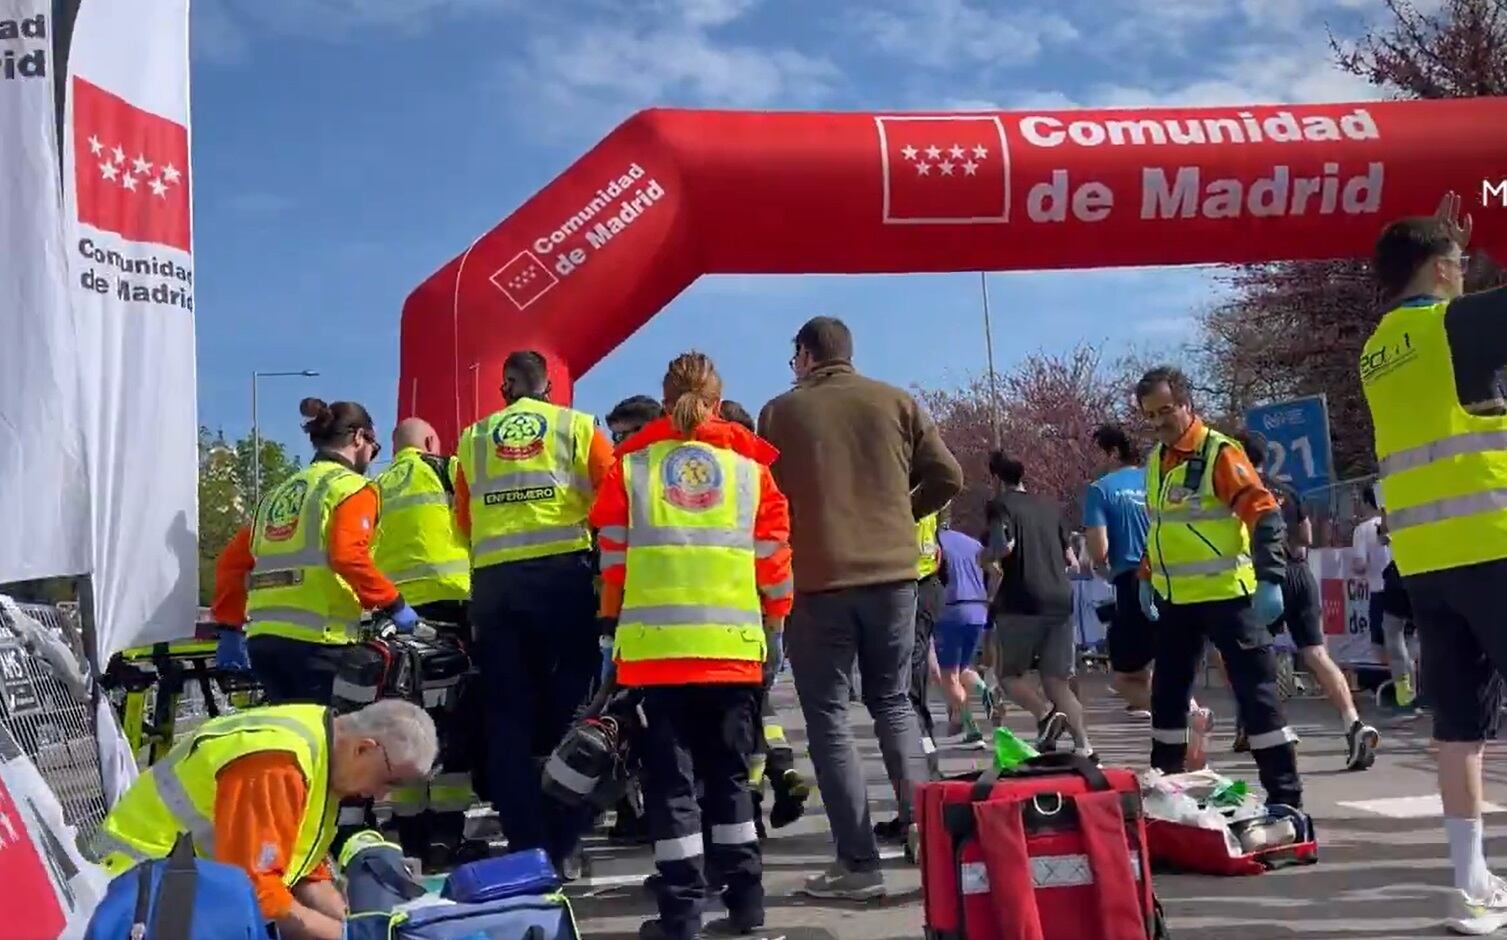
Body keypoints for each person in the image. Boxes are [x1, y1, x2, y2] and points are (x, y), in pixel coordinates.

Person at [757, 316, 962, 899]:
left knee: (827, 718)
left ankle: (858, 865)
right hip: (894, 576)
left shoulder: (779, 413)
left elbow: (764, 495)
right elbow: (949, 476)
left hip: (817, 579)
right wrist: (902, 513)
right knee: (893, 704)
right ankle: (929, 845)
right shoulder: (896, 401)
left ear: (805, 355)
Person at [591, 353, 792, 940]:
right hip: (732, 650)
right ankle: (746, 904)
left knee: (670, 787)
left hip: (655, 656)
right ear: (717, 399)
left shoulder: (632, 467)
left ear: (664, 397)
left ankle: (680, 916)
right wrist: (776, 624)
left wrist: (609, 628)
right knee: (730, 779)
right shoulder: (750, 468)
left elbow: (612, 562)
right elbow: (774, 559)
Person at [1359, 192, 1507, 932]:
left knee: (1459, 728)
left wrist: (1459, 249)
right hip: (1494, 539)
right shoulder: (1457, 326)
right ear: (1440, 268)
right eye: (1457, 261)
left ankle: (1471, 886)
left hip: (1425, 562)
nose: (1464, 270)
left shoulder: (1375, 350)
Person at [454, 350, 616, 876]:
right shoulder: (578, 427)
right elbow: (613, 499)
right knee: (571, 709)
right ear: (549, 388)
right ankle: (563, 841)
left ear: (504, 388)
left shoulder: (474, 439)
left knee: (507, 718)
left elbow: (463, 521)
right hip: (563, 579)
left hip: (496, 585)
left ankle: (525, 845)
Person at [95, 700, 437, 940]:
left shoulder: (322, 747)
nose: (382, 796)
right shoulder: (278, 765)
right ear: (364, 748)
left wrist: (359, 924)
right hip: (139, 896)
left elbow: (301, 866)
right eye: (389, 781)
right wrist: (346, 935)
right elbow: (257, 892)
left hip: (180, 889)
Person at [1134, 366, 1303, 810]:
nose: (1159, 422)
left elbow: (1264, 514)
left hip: (1229, 597)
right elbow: (1161, 527)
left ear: (1187, 404)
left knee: (1257, 696)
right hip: (1177, 601)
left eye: (1165, 411)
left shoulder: (1219, 453)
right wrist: (1147, 575)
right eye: (1150, 416)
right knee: (1167, 697)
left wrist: (1270, 578)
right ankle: (1166, 789)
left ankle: (1285, 797)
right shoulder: (1155, 461)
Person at [211, 398, 416, 705]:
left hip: (263, 643)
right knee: (326, 732)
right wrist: (394, 603)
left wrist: (230, 628)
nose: (372, 459)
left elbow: (231, 564)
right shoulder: (352, 488)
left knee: (288, 729)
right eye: (374, 449)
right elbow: (348, 556)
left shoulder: (276, 495)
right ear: (359, 437)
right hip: (320, 642)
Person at [1237, 430, 1380, 771]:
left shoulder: (1238, 491)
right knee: (1316, 653)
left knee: (1252, 654)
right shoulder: (1286, 490)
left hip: (1264, 575)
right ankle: (1353, 723)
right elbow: (1306, 536)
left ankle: (1268, 726)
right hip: (1299, 573)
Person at [371, 416, 480, 863]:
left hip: (394, 615)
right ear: (432, 440)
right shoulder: (446, 468)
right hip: (450, 608)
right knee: (454, 727)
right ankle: (446, 836)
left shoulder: (377, 485)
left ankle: (411, 836)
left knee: (404, 726)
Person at [720, 398, 811, 832]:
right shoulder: (762, 477)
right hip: (769, 616)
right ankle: (781, 767)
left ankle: (754, 793)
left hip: (734, 615)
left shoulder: (724, 482)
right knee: (758, 703)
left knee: (743, 711)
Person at [984, 453, 1093, 758]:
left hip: (1021, 601)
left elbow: (1003, 546)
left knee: (1009, 675)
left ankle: (1045, 714)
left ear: (996, 478)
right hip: (1060, 600)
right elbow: (1071, 560)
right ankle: (1084, 747)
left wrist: (986, 556)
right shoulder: (1049, 507)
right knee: (1057, 680)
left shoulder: (999, 506)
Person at [1082, 424, 1155, 717]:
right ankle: (1173, 720)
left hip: (1133, 580)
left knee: (1123, 677)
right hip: (1173, 577)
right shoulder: (1157, 480)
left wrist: (1099, 565)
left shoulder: (1101, 489)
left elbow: (1099, 551)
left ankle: (1184, 716)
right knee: (1164, 659)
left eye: (1098, 452)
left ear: (1113, 452)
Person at [933, 506, 993, 745]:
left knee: (948, 675)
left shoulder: (934, 543)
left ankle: (972, 728)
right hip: (978, 609)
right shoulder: (972, 543)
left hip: (951, 609)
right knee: (963, 667)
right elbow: (995, 571)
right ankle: (985, 691)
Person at [913, 510, 946, 756]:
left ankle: (923, 739)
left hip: (912, 582)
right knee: (917, 662)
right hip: (927, 583)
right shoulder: (930, 507)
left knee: (911, 669)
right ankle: (925, 740)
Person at [1351, 485, 1393, 668]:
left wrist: (1356, 567)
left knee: (1379, 644)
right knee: (1403, 641)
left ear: (1367, 502)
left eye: (1358, 500)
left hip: (1379, 592)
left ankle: (1393, 680)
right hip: (1401, 588)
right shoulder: (1394, 524)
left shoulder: (1361, 530)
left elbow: (1360, 565)